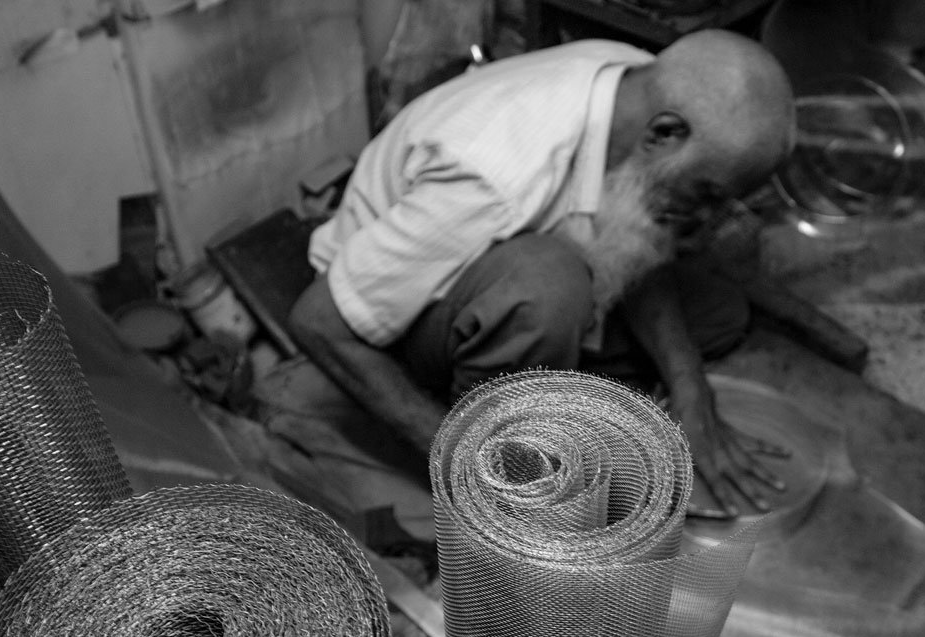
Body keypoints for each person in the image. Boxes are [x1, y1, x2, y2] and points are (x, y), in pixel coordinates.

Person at [287, 29, 797, 517]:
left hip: (498, 269)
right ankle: (494, 430)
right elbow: (317, 321)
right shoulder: (493, 176)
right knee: (550, 289)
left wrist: (692, 392)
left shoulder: (636, 82)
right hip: (400, 311)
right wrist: (465, 474)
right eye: (706, 194)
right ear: (664, 133)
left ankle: (543, 370)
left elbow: (646, 234)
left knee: (720, 312)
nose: (706, 221)